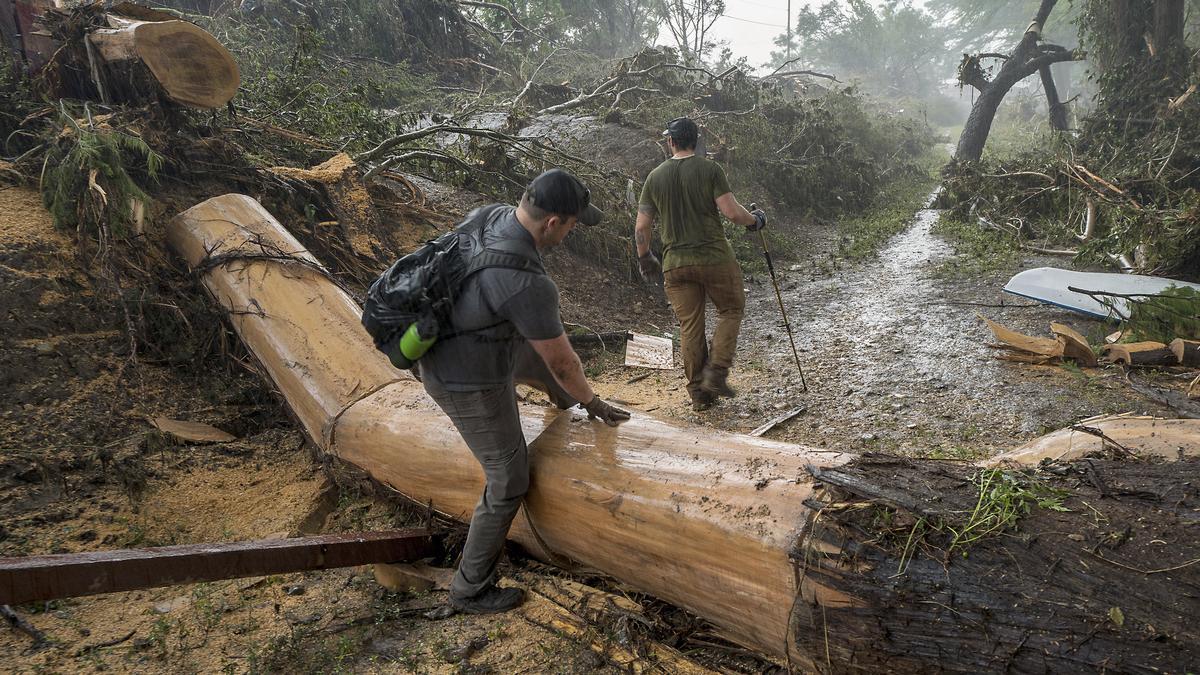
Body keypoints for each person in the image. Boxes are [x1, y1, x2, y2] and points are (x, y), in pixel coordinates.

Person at [418, 169, 631, 615]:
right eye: (572, 224)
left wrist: (571, 392)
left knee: (536, 355)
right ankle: (469, 589)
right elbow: (562, 361)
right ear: (554, 222)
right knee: (509, 477)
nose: (572, 233)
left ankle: (566, 401)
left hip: (467, 341)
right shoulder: (529, 284)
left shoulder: (489, 214)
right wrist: (592, 400)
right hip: (466, 379)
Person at [634, 117, 767, 412]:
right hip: (714, 257)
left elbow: (642, 226)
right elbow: (733, 213)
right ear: (696, 141)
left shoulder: (655, 177)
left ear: (671, 141)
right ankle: (717, 373)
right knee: (731, 309)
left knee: (689, 325)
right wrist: (756, 220)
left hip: (675, 264)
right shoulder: (710, 170)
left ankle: (699, 395)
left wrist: (645, 256)